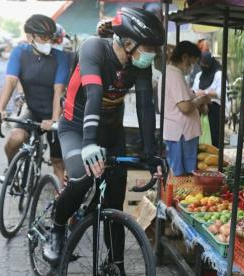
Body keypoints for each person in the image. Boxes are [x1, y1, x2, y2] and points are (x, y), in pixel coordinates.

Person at [43, 7, 165, 267]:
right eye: (149, 47)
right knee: (82, 177)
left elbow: (145, 107)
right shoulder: (94, 49)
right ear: (129, 42)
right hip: (76, 127)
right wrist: (88, 144)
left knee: (114, 204)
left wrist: (150, 152)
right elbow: (94, 96)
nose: (152, 54)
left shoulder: (139, 64)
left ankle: (116, 264)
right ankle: (57, 226)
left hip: (111, 131)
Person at [0, 14, 70, 182]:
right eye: (43, 36)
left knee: (58, 161)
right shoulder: (19, 52)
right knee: (15, 138)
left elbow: (59, 91)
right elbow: (10, 82)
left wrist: (55, 120)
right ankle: (11, 168)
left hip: (55, 113)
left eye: (51, 36)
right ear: (29, 36)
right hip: (32, 110)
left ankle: (59, 203)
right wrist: (0, 109)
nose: (48, 40)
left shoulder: (62, 57)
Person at [160, 41, 211, 176]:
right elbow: (185, 106)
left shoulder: (173, 74)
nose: (192, 67)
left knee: (182, 174)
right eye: (192, 62)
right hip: (180, 134)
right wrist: (201, 100)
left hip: (181, 133)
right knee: (180, 175)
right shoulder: (174, 75)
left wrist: (196, 97)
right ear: (184, 57)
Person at [192, 52, 227, 147]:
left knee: (214, 138)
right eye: (202, 64)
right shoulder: (199, 75)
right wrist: (205, 95)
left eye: (205, 65)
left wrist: (205, 93)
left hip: (215, 112)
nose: (204, 67)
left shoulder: (219, 75)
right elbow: (194, 91)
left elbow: (221, 93)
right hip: (200, 109)